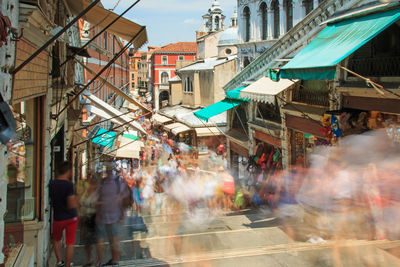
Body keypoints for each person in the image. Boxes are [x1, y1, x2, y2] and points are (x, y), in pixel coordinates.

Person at [96, 163, 129, 267]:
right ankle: (113, 261)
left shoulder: (107, 182)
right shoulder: (115, 181)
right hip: (111, 215)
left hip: (110, 215)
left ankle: (108, 261)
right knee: (113, 238)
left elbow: (98, 198)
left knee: (109, 239)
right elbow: (125, 196)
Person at [49, 162, 79, 267]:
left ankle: (59, 261)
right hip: (71, 217)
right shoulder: (69, 185)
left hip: (58, 217)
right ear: (68, 171)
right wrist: (78, 200)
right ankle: (67, 264)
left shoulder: (52, 184)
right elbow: (71, 204)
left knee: (56, 239)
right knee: (70, 242)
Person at [79, 176, 99, 267]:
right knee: (87, 242)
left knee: (96, 241)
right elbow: (81, 203)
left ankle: (98, 260)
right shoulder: (86, 192)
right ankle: (89, 259)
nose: (91, 185)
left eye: (93, 183)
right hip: (86, 218)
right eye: (91, 183)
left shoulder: (98, 194)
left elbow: (99, 205)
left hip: (94, 218)